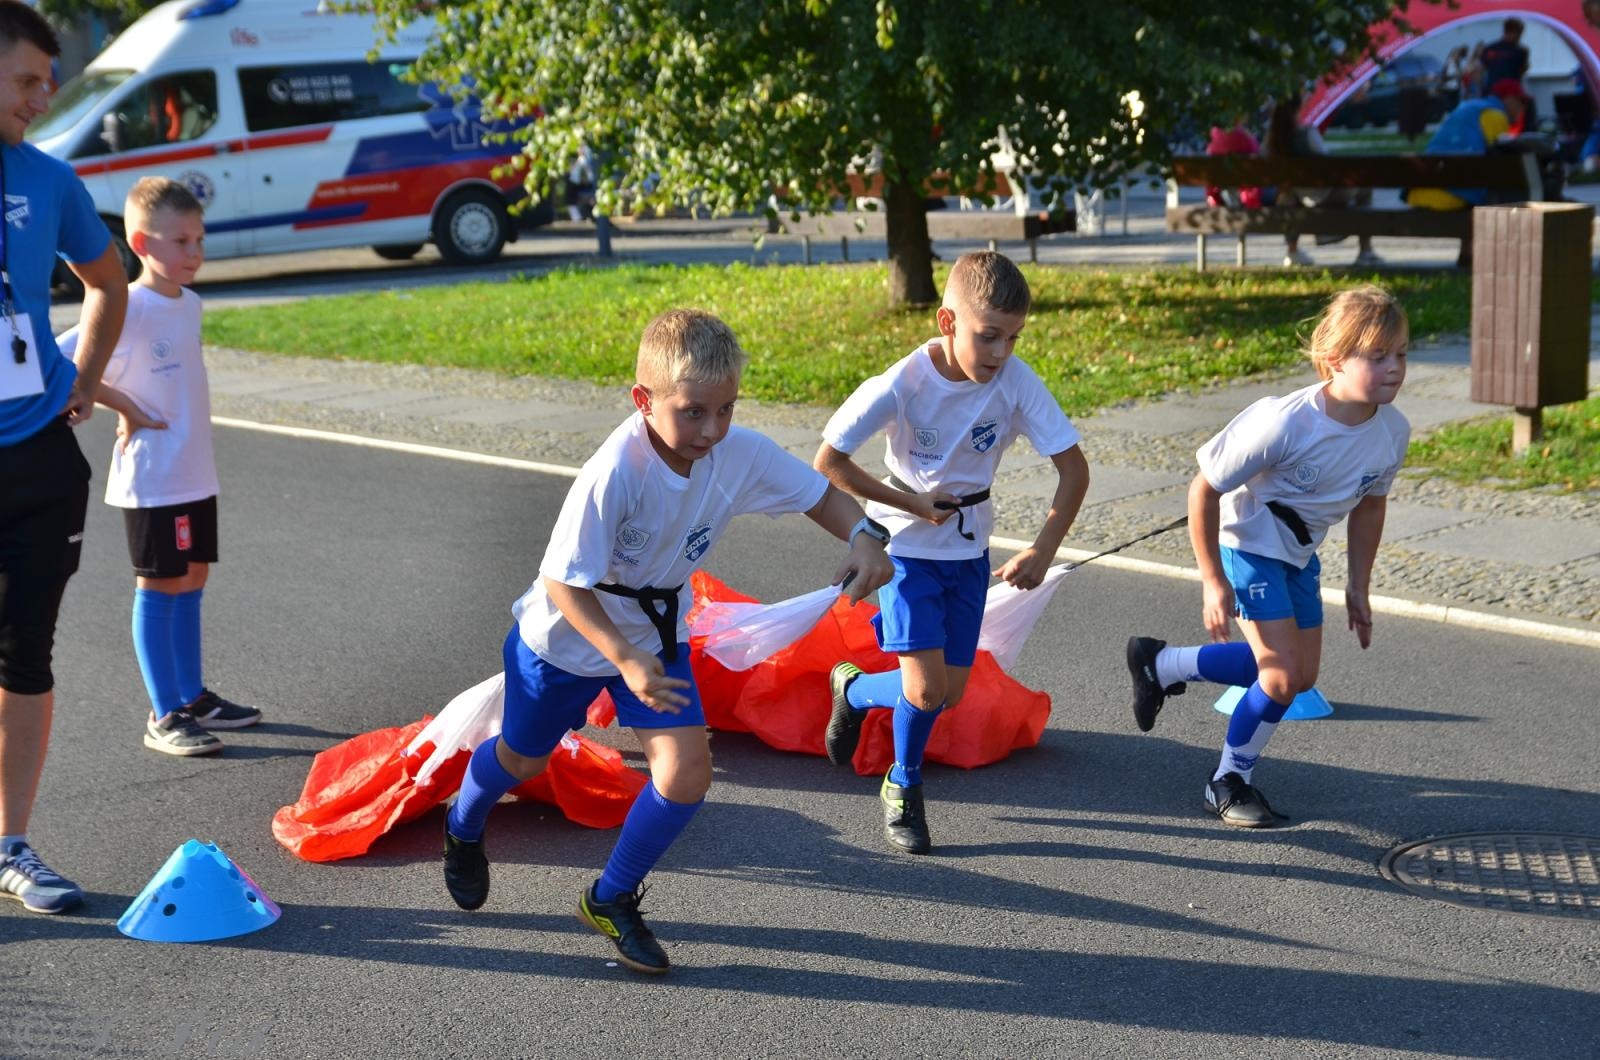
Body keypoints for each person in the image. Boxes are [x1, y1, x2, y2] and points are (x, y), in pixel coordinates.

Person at [437, 308, 893, 974]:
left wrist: (864, 535)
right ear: (643, 400)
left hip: (656, 636)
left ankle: (610, 897)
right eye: (693, 412)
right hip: (563, 642)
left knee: (685, 773)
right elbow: (563, 583)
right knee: (522, 760)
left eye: (726, 410)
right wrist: (623, 659)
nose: (712, 430)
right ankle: (463, 824)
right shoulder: (615, 472)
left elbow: (820, 496)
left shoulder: (737, 452)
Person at [815, 251, 1090, 855]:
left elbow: (1074, 470)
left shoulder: (1015, 380)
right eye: (988, 336)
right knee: (924, 692)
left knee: (950, 693)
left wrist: (1043, 550)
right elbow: (829, 462)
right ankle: (903, 784)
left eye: (1013, 338)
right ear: (947, 321)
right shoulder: (902, 383)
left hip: (969, 554)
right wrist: (911, 503)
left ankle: (853, 691)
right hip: (906, 549)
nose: (1000, 352)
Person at [1125, 286, 1410, 829]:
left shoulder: (1392, 432)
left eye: (1400, 354)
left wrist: (1359, 585)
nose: (1394, 368)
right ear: (1335, 361)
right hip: (1248, 546)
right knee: (1279, 678)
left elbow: (1371, 506)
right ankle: (1226, 781)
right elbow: (1203, 490)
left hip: (1297, 556)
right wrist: (1212, 580)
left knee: (1299, 677)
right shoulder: (1285, 423)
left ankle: (1161, 664)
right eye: (1377, 356)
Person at [0, 1, 130, 915]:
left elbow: (107, 280)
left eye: (48, 83)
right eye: (26, 81)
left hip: (39, 457)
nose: (43, 98)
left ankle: (10, 844)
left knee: (25, 655)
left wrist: (82, 379)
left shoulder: (49, 179)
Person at [57, 177, 260, 758]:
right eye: (181, 241)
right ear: (143, 243)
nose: (195, 253)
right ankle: (164, 712)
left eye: (199, 240)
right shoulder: (128, 305)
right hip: (153, 479)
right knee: (160, 583)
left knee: (193, 576)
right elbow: (61, 360)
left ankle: (193, 697)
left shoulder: (189, 303)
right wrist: (125, 405)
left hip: (195, 471)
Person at [1263, 93, 1382, 269]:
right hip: (1324, 195)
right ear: (1298, 108)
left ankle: (1292, 251)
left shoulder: (1272, 138)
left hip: (1296, 196)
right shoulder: (1307, 133)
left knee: (1287, 194)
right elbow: (1328, 166)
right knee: (1365, 186)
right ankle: (1366, 251)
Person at [1478, 19, 1531, 95]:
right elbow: (1522, 71)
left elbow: (1481, 69)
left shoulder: (1490, 48)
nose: (1520, 37)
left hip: (1494, 90)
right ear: (1514, 32)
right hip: (1508, 93)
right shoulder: (1519, 51)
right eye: (1520, 34)